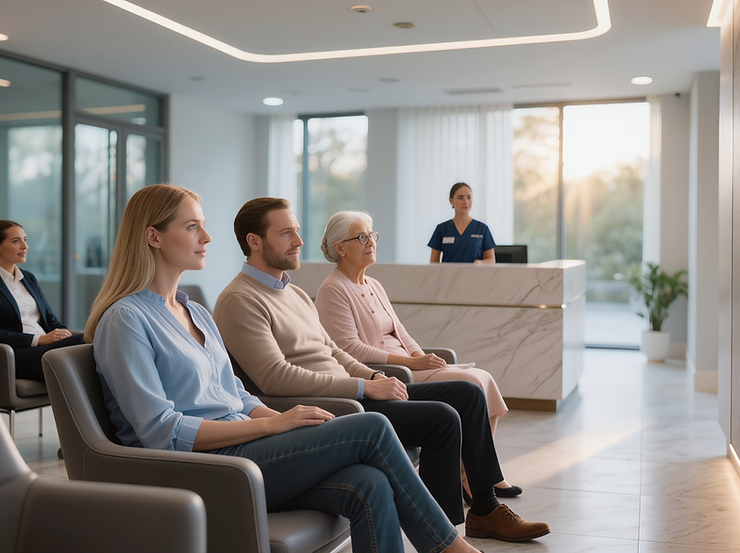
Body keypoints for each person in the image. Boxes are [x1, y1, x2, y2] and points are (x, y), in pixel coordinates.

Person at [84, 184, 482, 553]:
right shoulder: (126, 320)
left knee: (370, 482)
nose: (207, 238)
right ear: (154, 237)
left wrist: (284, 420)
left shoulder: (196, 313)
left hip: (244, 451)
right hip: (205, 467)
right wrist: (270, 426)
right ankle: (448, 547)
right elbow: (161, 433)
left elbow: (235, 394)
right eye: (192, 227)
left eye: (203, 227)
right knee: (372, 426)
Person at [213, 197, 549, 543]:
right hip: (332, 405)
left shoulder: (295, 293)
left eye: (297, 231)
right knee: (443, 419)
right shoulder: (240, 299)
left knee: (467, 393)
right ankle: (450, 533)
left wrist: (372, 377)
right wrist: (363, 389)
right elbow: (275, 377)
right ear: (254, 241)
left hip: (353, 390)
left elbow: (334, 352)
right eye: (287, 234)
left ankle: (484, 507)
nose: (299, 241)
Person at [315, 210, 520, 500]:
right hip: (393, 372)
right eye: (361, 237)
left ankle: (473, 475)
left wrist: (422, 355)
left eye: (372, 235)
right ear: (340, 248)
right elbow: (350, 349)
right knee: (472, 385)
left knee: (481, 378)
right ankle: (477, 478)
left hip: (411, 363)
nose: (371, 242)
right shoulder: (333, 289)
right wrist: (412, 362)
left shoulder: (374, 284)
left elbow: (401, 331)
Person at [0, 220, 83, 381]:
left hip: (46, 349)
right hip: (15, 354)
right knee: (87, 342)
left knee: (87, 343)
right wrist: (38, 340)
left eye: (25, 240)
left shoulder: (29, 278)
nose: (25, 246)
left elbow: (49, 318)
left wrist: (64, 335)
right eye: (16, 241)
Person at [428, 182, 495, 264]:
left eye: (469, 197)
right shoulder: (442, 229)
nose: (465, 202)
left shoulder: (482, 229)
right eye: (460, 198)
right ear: (451, 200)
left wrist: (480, 263)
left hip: (475, 276)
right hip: (449, 276)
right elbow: (434, 263)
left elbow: (491, 260)